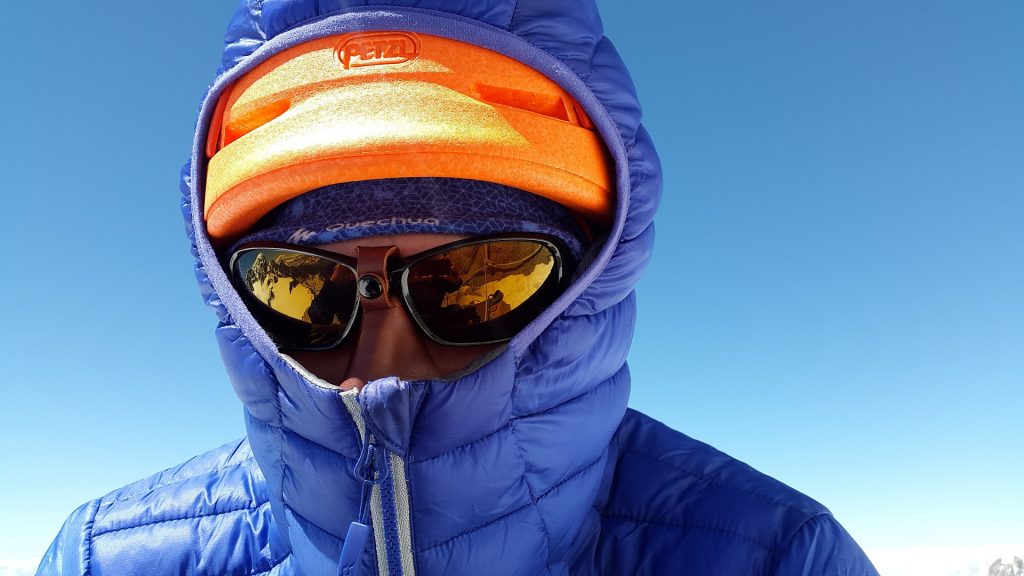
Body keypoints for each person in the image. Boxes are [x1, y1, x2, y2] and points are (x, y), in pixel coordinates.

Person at [38, 1, 881, 575]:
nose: (381, 360)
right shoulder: (99, 559)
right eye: (303, 289)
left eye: (478, 284)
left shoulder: (781, 558)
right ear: (236, 301)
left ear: (585, 279)